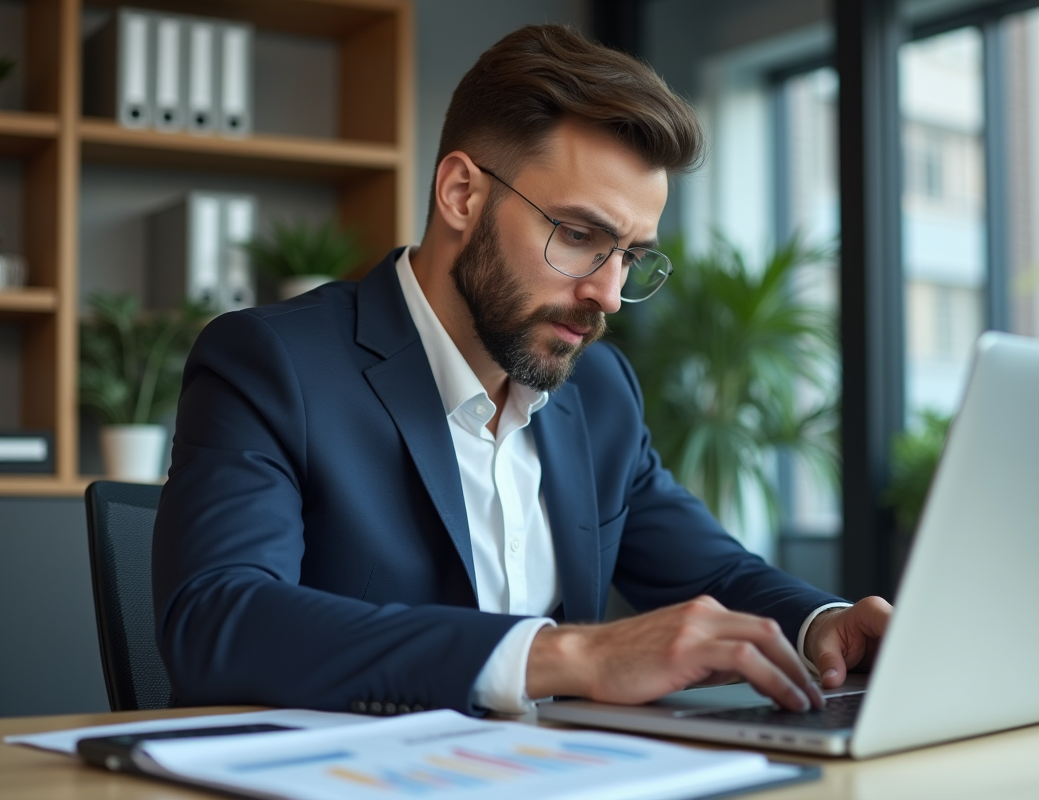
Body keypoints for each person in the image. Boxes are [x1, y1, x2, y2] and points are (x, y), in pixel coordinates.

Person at [153, 23, 892, 718]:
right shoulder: (273, 363)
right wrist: (564, 654)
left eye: (631, 256)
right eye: (578, 235)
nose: (607, 293)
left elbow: (717, 577)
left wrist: (825, 623)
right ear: (461, 195)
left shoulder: (600, 393)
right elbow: (218, 620)